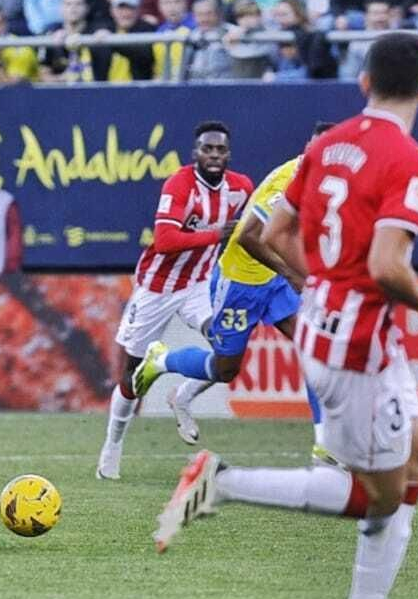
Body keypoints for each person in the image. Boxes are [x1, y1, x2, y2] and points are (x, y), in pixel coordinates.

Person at [153, 32, 418, 599]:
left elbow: (270, 231)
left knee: (416, 462)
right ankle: (221, 482)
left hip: (339, 328)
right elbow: (387, 265)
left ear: (364, 83)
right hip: (355, 346)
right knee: (375, 498)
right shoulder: (409, 160)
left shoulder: (327, 146)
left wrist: (320, 281)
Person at [132, 120, 335, 447]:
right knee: (226, 370)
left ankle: (325, 446)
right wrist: (293, 274)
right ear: (308, 148)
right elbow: (247, 237)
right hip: (240, 282)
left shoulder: (326, 179)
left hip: (274, 280)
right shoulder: (287, 181)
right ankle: (162, 361)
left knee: (315, 348)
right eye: (318, 149)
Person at [96, 121, 253, 480]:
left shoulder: (241, 188)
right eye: (207, 149)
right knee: (133, 374)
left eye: (220, 149)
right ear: (195, 152)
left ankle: (183, 397)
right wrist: (216, 235)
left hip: (200, 285)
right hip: (157, 287)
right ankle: (112, 447)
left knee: (229, 348)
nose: (214, 155)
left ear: (229, 154)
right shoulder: (180, 184)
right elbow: (165, 240)